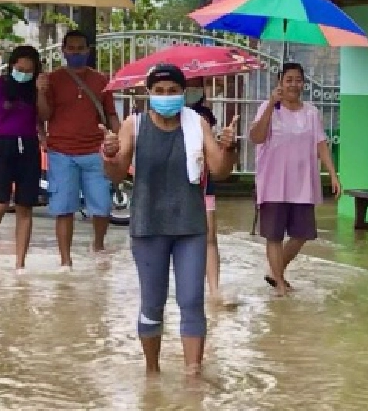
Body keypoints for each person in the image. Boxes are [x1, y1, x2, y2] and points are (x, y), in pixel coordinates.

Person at [101, 64, 238, 376]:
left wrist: (229, 147)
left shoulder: (197, 124)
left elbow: (220, 170)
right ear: (149, 94)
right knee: (153, 303)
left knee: (192, 300)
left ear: (183, 93)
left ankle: (193, 375)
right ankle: (152, 373)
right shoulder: (134, 125)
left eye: (173, 91)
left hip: (190, 226)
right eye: (159, 91)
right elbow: (117, 172)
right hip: (148, 227)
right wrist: (108, 153)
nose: (166, 97)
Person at [248, 62, 341, 297]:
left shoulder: (312, 113)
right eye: (288, 79)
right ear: (280, 82)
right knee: (274, 235)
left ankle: (275, 272)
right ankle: (279, 284)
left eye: (298, 80)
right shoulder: (268, 109)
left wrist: (332, 173)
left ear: (304, 83)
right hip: (273, 183)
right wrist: (271, 104)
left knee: (302, 234)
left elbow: (321, 145)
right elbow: (256, 138)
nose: (293, 84)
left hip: (302, 184)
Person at [36, 30, 121, 269]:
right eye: (71, 48)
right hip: (61, 151)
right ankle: (66, 261)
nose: (75, 52)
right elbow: (43, 115)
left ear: (88, 50)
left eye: (80, 48)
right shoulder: (51, 80)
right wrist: (41, 92)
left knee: (103, 206)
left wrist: (118, 137)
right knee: (64, 208)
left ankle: (98, 244)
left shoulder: (101, 80)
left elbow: (111, 114)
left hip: (95, 150)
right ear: (63, 51)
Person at [0, 45, 43, 269]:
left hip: (29, 148)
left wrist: (41, 91)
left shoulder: (35, 89)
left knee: (25, 207)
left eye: (28, 70)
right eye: (19, 68)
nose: (22, 73)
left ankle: (20, 264)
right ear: (11, 65)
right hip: (1, 147)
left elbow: (44, 117)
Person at [186, 77, 224, 295]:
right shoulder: (166, 115)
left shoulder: (204, 115)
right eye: (188, 86)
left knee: (209, 236)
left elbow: (213, 155)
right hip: (177, 187)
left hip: (203, 184)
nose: (192, 91)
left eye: (196, 87)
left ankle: (214, 290)